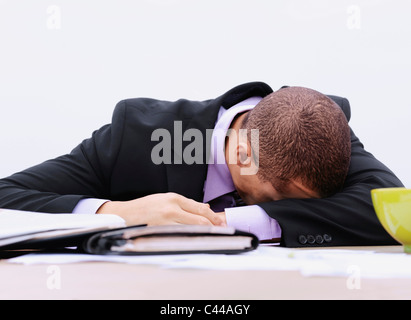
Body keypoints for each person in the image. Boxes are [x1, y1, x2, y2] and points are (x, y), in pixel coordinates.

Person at [0, 82, 403, 247]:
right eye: (278, 196)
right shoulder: (142, 137)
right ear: (244, 154)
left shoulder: (319, 130)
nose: (285, 203)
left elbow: (391, 206)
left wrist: (234, 222)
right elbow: (6, 197)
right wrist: (118, 214)